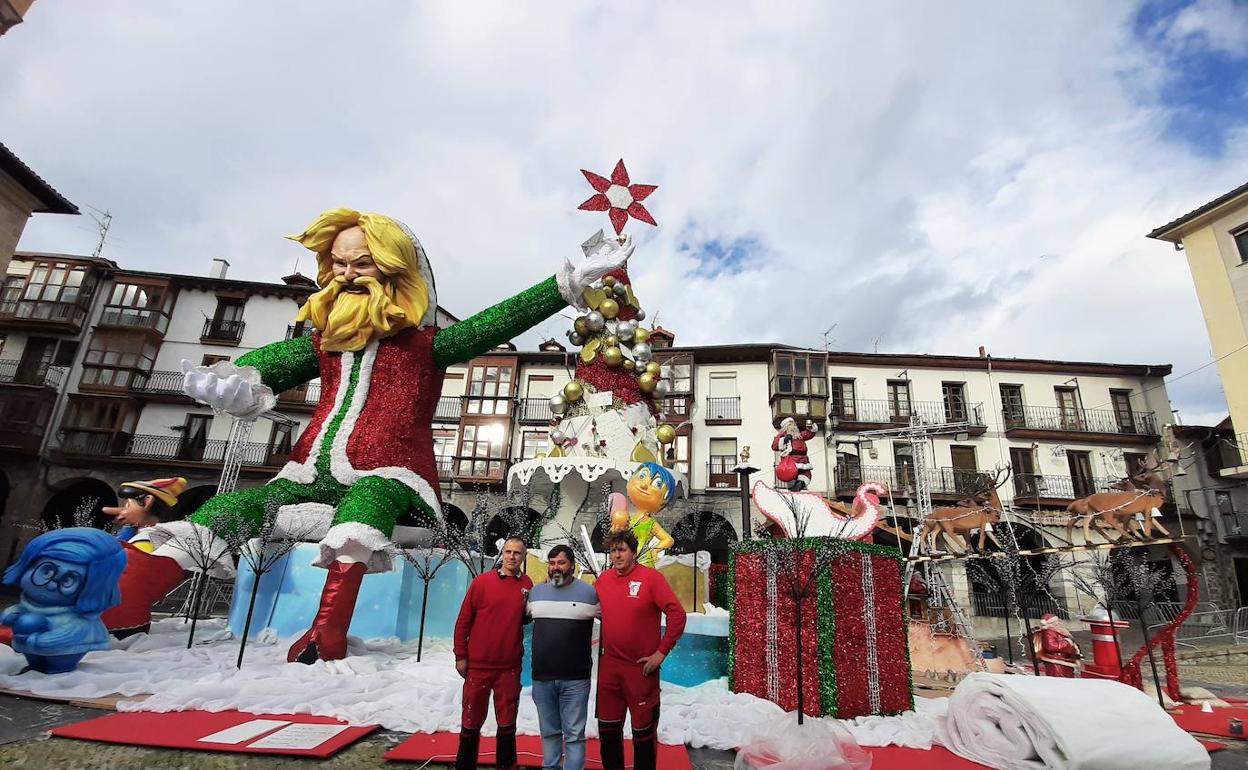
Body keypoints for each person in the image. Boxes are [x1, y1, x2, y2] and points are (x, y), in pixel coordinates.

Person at [129, 208, 628, 664]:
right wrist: (234, 377)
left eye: (362, 264)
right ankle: (126, 603)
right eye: (338, 264)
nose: (346, 275)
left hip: (396, 484)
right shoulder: (326, 345)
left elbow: (494, 319)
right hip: (307, 475)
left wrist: (564, 286)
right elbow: (269, 364)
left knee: (365, 504)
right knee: (229, 509)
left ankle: (328, 631)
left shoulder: (428, 346)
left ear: (396, 272)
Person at [594, 529, 686, 770]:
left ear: (633, 552)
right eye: (613, 550)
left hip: (641, 669)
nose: (617, 555)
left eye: (622, 549)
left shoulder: (651, 578)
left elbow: (677, 614)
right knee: (608, 732)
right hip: (610, 669)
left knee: (643, 735)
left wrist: (661, 653)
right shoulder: (603, 580)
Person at [454, 537, 533, 770]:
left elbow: (526, 617)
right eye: (508, 552)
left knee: (507, 722)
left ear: (523, 557)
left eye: (517, 553)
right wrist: (460, 655)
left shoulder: (527, 585)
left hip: (508, 667)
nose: (511, 556)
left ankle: (507, 765)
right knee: (470, 721)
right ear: (502, 554)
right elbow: (463, 621)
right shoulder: (481, 583)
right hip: (478, 666)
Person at [528, 545, 599, 770]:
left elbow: (614, 620)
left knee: (575, 736)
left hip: (576, 679)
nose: (555, 567)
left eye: (561, 562)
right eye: (552, 563)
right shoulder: (535, 593)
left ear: (572, 565)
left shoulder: (590, 594)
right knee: (549, 733)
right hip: (542, 678)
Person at [99, 477, 190, 639]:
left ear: (147, 502)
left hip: (119, 622)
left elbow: (133, 576)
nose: (121, 510)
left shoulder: (148, 540)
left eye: (127, 505)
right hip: (123, 619)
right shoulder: (137, 535)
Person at [772, 417, 817, 491]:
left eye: (793, 424)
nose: (793, 426)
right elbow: (774, 446)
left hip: (804, 461)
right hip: (791, 461)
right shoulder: (782, 435)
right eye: (790, 424)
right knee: (792, 476)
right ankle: (794, 487)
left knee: (806, 475)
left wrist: (810, 428)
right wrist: (785, 439)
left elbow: (809, 434)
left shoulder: (799, 435)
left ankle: (800, 485)